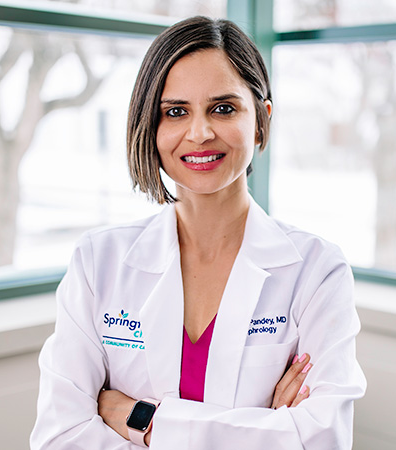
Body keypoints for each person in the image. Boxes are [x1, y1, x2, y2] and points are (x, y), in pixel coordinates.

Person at [30, 16, 366, 449]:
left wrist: (142, 420)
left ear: (261, 119)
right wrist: (267, 430)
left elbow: (324, 440)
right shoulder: (99, 262)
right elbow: (60, 437)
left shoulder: (317, 270)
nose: (200, 132)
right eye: (175, 112)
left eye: (223, 108)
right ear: (150, 126)